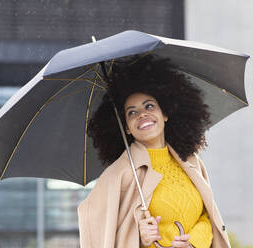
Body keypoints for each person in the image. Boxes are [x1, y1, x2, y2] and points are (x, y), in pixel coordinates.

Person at [78, 54, 231, 248]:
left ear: (165, 113)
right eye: (132, 112)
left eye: (149, 106)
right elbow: (94, 227)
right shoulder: (119, 174)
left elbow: (207, 215)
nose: (142, 114)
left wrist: (193, 243)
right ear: (126, 127)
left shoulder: (191, 161)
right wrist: (139, 237)